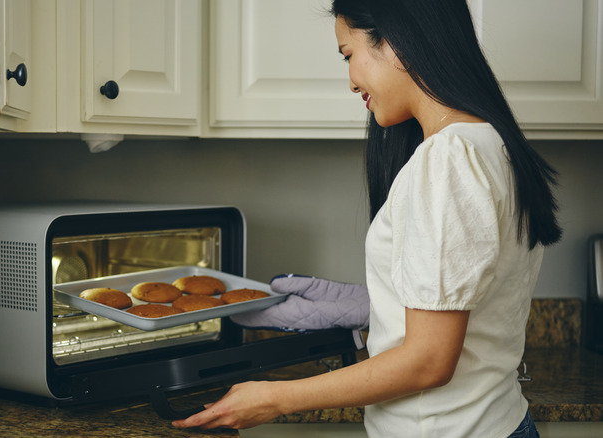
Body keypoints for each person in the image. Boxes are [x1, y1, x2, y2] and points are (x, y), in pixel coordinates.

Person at [172, 0, 562, 436]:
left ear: (394, 44)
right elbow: (472, 291)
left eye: (348, 55)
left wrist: (275, 397)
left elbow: (429, 362)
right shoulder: (492, 144)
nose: (351, 81)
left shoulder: (447, 160)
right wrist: (373, 301)